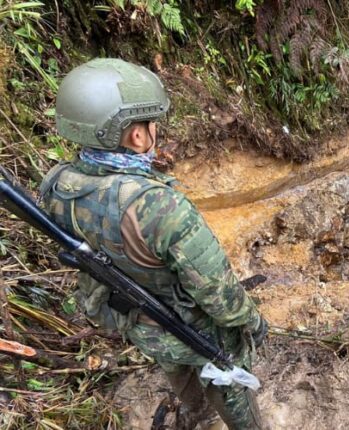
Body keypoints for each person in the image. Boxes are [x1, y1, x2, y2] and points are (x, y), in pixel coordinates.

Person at [39, 59, 266, 429]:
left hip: (138, 323)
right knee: (228, 378)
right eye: (151, 123)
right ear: (137, 136)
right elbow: (220, 296)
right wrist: (253, 323)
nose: (154, 130)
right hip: (195, 329)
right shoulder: (159, 206)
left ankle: (197, 413)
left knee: (177, 368)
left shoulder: (58, 184)